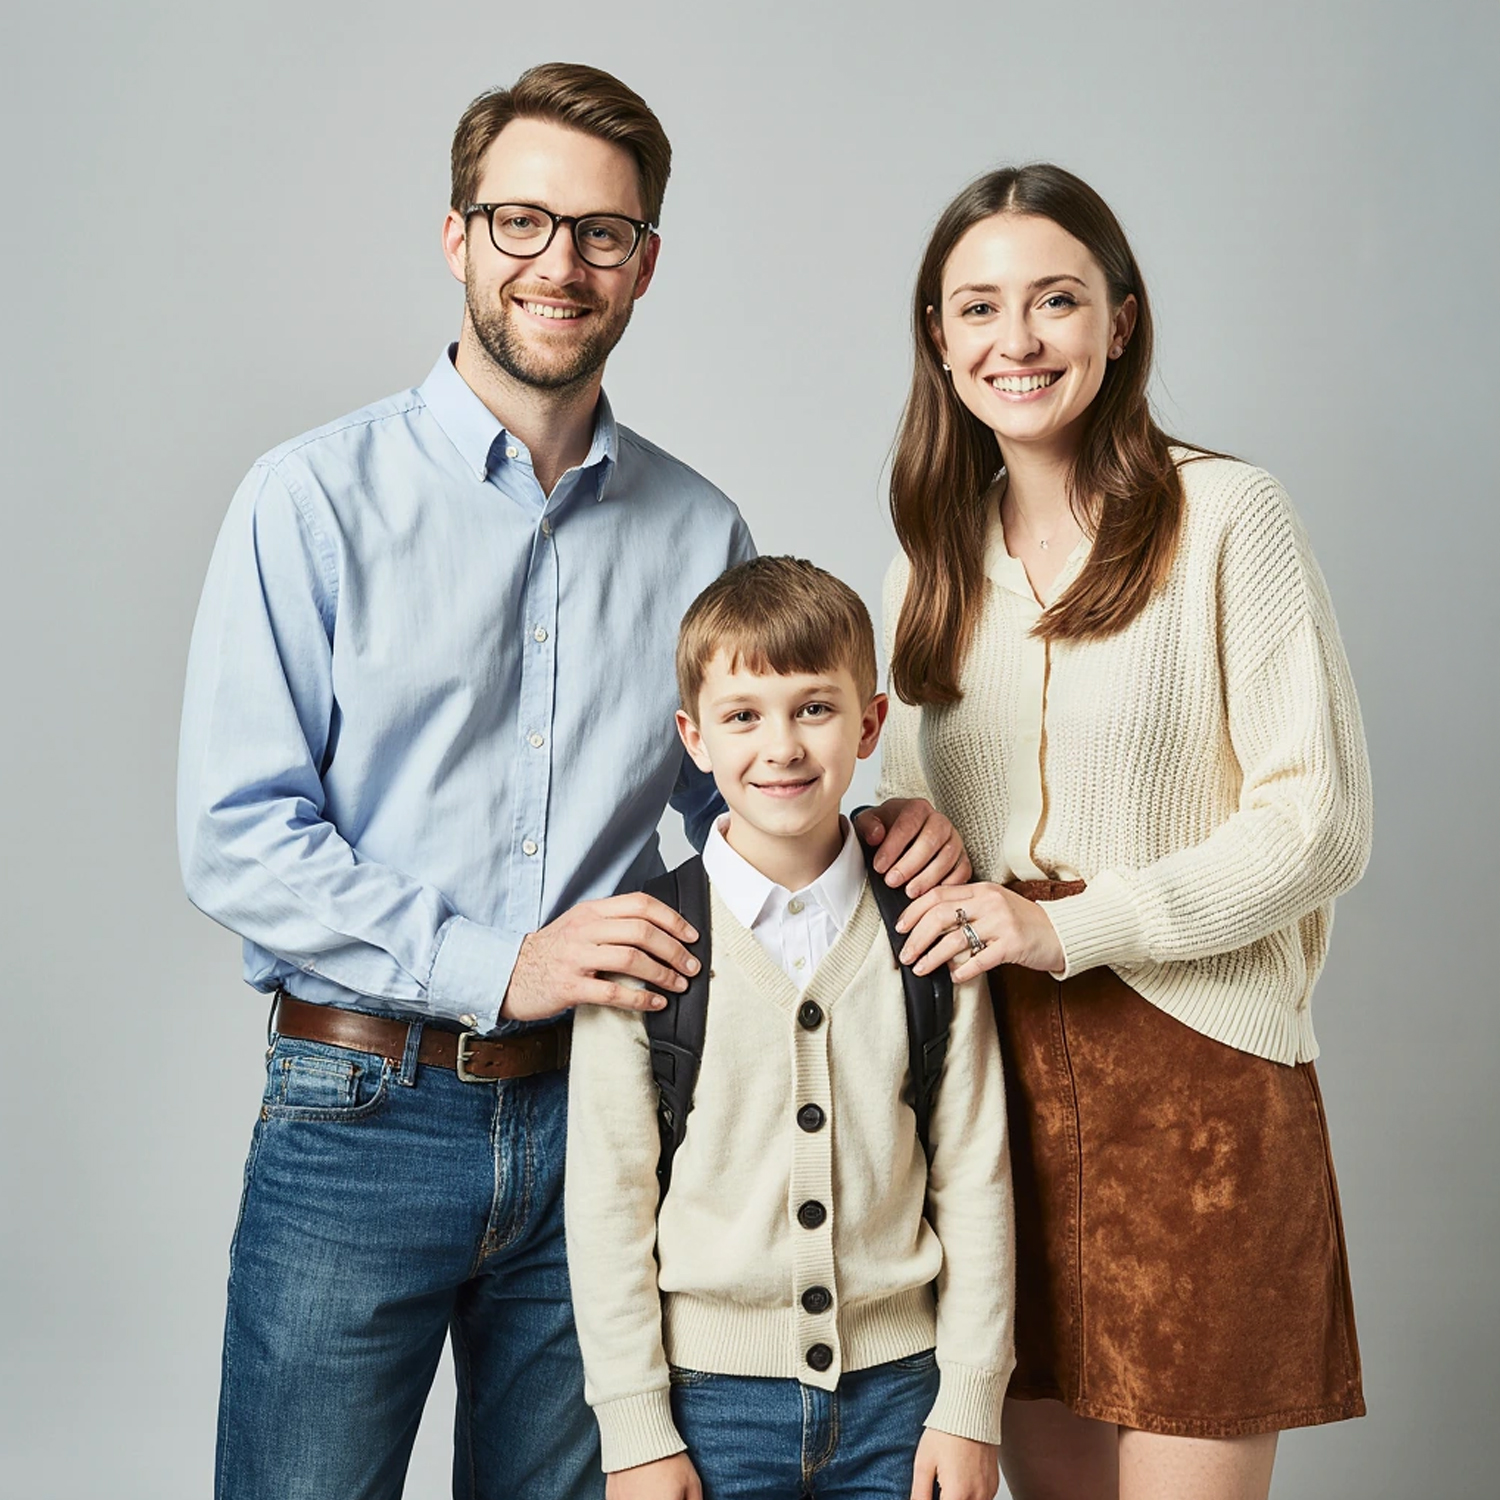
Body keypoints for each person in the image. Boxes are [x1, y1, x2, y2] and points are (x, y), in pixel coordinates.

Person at [177, 64, 965, 1500]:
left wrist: (888, 809)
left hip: (607, 1131)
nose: (561, 263)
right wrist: (508, 962)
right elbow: (238, 840)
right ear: (458, 237)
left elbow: (756, 756)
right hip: (361, 1106)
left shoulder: (699, 525)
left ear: (646, 263)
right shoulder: (311, 499)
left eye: (602, 233)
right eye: (523, 221)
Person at [876, 165, 1372, 1500]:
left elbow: (1318, 823)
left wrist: (1065, 923)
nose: (1016, 339)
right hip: (995, 1103)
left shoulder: (1228, 518)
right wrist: (908, 832)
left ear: (1122, 322)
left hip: (1200, 1088)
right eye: (978, 307)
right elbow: (919, 823)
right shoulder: (926, 560)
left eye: (1056, 300)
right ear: (939, 337)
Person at [564, 556, 1015, 1500]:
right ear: (693, 737)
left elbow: (976, 1173)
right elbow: (607, 1205)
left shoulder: (926, 929)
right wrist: (637, 1431)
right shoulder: (647, 947)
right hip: (710, 1408)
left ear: (871, 724)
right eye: (743, 716)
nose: (782, 747)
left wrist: (969, 1403)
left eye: (815, 708)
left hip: (905, 1401)